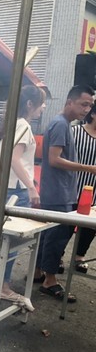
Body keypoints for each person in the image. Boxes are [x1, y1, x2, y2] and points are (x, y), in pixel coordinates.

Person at [0, 85, 46, 308]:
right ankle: (2, 286)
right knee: (10, 240)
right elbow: (14, 158)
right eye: (40, 103)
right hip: (15, 190)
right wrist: (30, 186)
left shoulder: (10, 124)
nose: (42, 107)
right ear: (30, 104)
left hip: (4, 186)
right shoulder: (23, 125)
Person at [34, 85, 96, 303]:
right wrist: (89, 168)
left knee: (48, 235)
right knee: (56, 238)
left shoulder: (64, 124)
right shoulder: (60, 124)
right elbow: (53, 159)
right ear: (70, 101)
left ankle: (38, 272)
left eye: (89, 105)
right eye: (83, 104)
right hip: (58, 193)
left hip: (60, 190)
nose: (87, 109)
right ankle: (49, 281)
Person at [69, 104, 96, 273]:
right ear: (93, 114)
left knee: (90, 226)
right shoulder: (75, 132)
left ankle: (79, 256)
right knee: (66, 225)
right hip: (74, 186)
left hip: (94, 189)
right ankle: (56, 257)